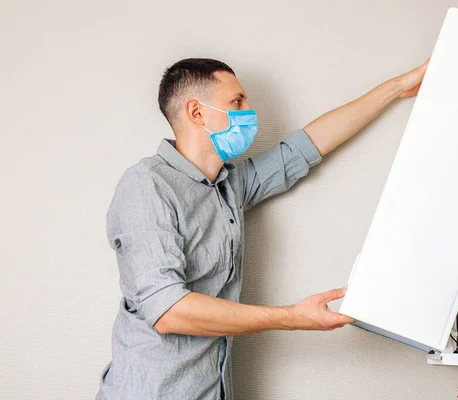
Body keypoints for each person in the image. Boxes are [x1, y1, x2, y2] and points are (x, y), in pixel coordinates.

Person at [96, 57, 428, 400]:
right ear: (197, 112)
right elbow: (169, 310)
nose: (249, 111)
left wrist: (398, 87)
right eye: (236, 102)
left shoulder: (229, 186)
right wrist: (291, 317)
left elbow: (305, 147)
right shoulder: (147, 186)